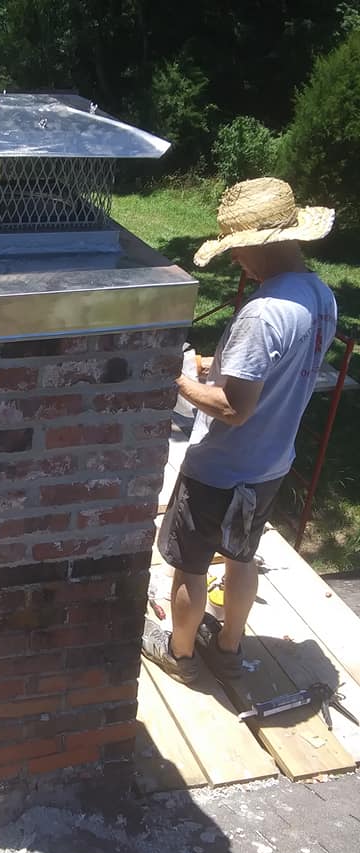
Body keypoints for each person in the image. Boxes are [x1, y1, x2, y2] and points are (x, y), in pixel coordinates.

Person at [142, 177, 337, 684]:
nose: (235, 261)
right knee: (241, 555)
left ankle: (180, 656)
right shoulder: (319, 296)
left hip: (221, 468)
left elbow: (232, 407)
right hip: (271, 463)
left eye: (237, 249)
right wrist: (217, 364)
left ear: (258, 243)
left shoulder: (262, 313)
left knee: (189, 565)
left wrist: (176, 377)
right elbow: (278, 372)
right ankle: (227, 649)